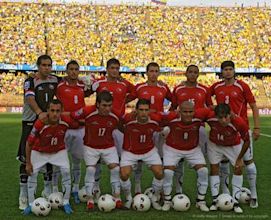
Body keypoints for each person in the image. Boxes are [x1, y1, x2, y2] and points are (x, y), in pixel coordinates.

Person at [210, 60, 260, 208]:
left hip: (241, 129)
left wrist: (257, 127)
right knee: (224, 163)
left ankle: (254, 194)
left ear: (234, 71)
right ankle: (225, 194)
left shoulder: (242, 86)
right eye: (225, 69)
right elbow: (206, 97)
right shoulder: (216, 87)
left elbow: (254, 106)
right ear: (221, 72)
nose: (228, 72)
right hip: (223, 130)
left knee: (248, 163)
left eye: (230, 69)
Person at [17, 55, 61, 210]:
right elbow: (30, 98)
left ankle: (47, 189)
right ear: (38, 66)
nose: (46, 68)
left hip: (48, 124)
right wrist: (39, 112)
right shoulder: (30, 81)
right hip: (31, 122)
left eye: (49, 65)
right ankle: (23, 193)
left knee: (48, 155)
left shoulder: (55, 80)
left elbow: (69, 85)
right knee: (25, 157)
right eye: (43, 65)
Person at [70, 91, 122, 210]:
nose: (107, 108)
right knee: (90, 170)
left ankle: (117, 197)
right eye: (104, 105)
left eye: (109, 105)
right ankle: (90, 200)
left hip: (108, 147)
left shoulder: (115, 115)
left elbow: (123, 123)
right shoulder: (88, 111)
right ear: (97, 104)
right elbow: (73, 116)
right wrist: (82, 122)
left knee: (115, 169)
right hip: (90, 147)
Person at [23, 99, 75, 215]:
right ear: (47, 111)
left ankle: (66, 202)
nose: (55, 114)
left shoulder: (66, 120)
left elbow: (80, 119)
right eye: (52, 110)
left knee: (66, 171)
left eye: (58, 111)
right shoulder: (40, 122)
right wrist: (28, 162)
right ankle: (31, 204)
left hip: (58, 151)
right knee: (32, 174)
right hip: (40, 152)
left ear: (61, 111)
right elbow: (29, 143)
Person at [129, 62, 172, 194]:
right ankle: (137, 185)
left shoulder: (164, 88)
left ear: (159, 73)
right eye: (151, 71)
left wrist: (166, 114)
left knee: (160, 158)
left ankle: (159, 188)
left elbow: (174, 101)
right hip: (142, 127)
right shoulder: (140, 87)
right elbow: (127, 98)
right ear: (146, 73)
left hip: (158, 128)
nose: (153, 74)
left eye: (156, 71)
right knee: (140, 158)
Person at [171, 65, 213, 194]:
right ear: (186, 74)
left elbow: (210, 107)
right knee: (179, 161)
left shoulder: (204, 90)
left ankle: (200, 194)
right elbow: (173, 108)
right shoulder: (178, 89)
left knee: (200, 164)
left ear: (198, 75)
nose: (192, 75)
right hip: (180, 129)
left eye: (195, 72)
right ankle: (178, 191)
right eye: (190, 72)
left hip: (198, 129)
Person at [162, 101, 210, 212]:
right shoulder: (171, 118)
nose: (188, 114)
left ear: (194, 111)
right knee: (168, 172)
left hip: (192, 149)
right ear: (179, 111)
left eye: (190, 112)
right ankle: (167, 201)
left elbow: (214, 113)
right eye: (185, 112)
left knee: (203, 171)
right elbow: (156, 117)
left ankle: (200, 201)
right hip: (172, 149)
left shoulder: (199, 119)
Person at [56, 60, 92, 203]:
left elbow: (97, 86)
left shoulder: (83, 86)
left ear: (79, 71)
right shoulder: (60, 86)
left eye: (76, 69)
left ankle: (75, 189)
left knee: (77, 161)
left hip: (79, 130)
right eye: (71, 69)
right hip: (64, 128)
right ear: (66, 70)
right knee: (59, 161)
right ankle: (56, 189)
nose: (73, 72)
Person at [120, 99, 167, 210]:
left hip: (149, 151)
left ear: (149, 110)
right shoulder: (128, 119)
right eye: (141, 110)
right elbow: (119, 126)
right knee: (124, 175)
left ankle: (155, 197)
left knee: (160, 173)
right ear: (136, 110)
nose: (144, 113)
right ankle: (128, 198)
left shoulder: (155, 120)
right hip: (130, 151)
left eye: (146, 110)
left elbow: (163, 127)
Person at [207, 104, 250, 214]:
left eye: (226, 117)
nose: (223, 120)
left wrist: (240, 158)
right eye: (220, 118)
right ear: (215, 116)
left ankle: (235, 201)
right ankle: (215, 201)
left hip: (232, 145)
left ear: (229, 114)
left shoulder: (239, 122)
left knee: (238, 168)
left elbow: (247, 141)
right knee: (214, 169)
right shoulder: (209, 116)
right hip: (215, 144)